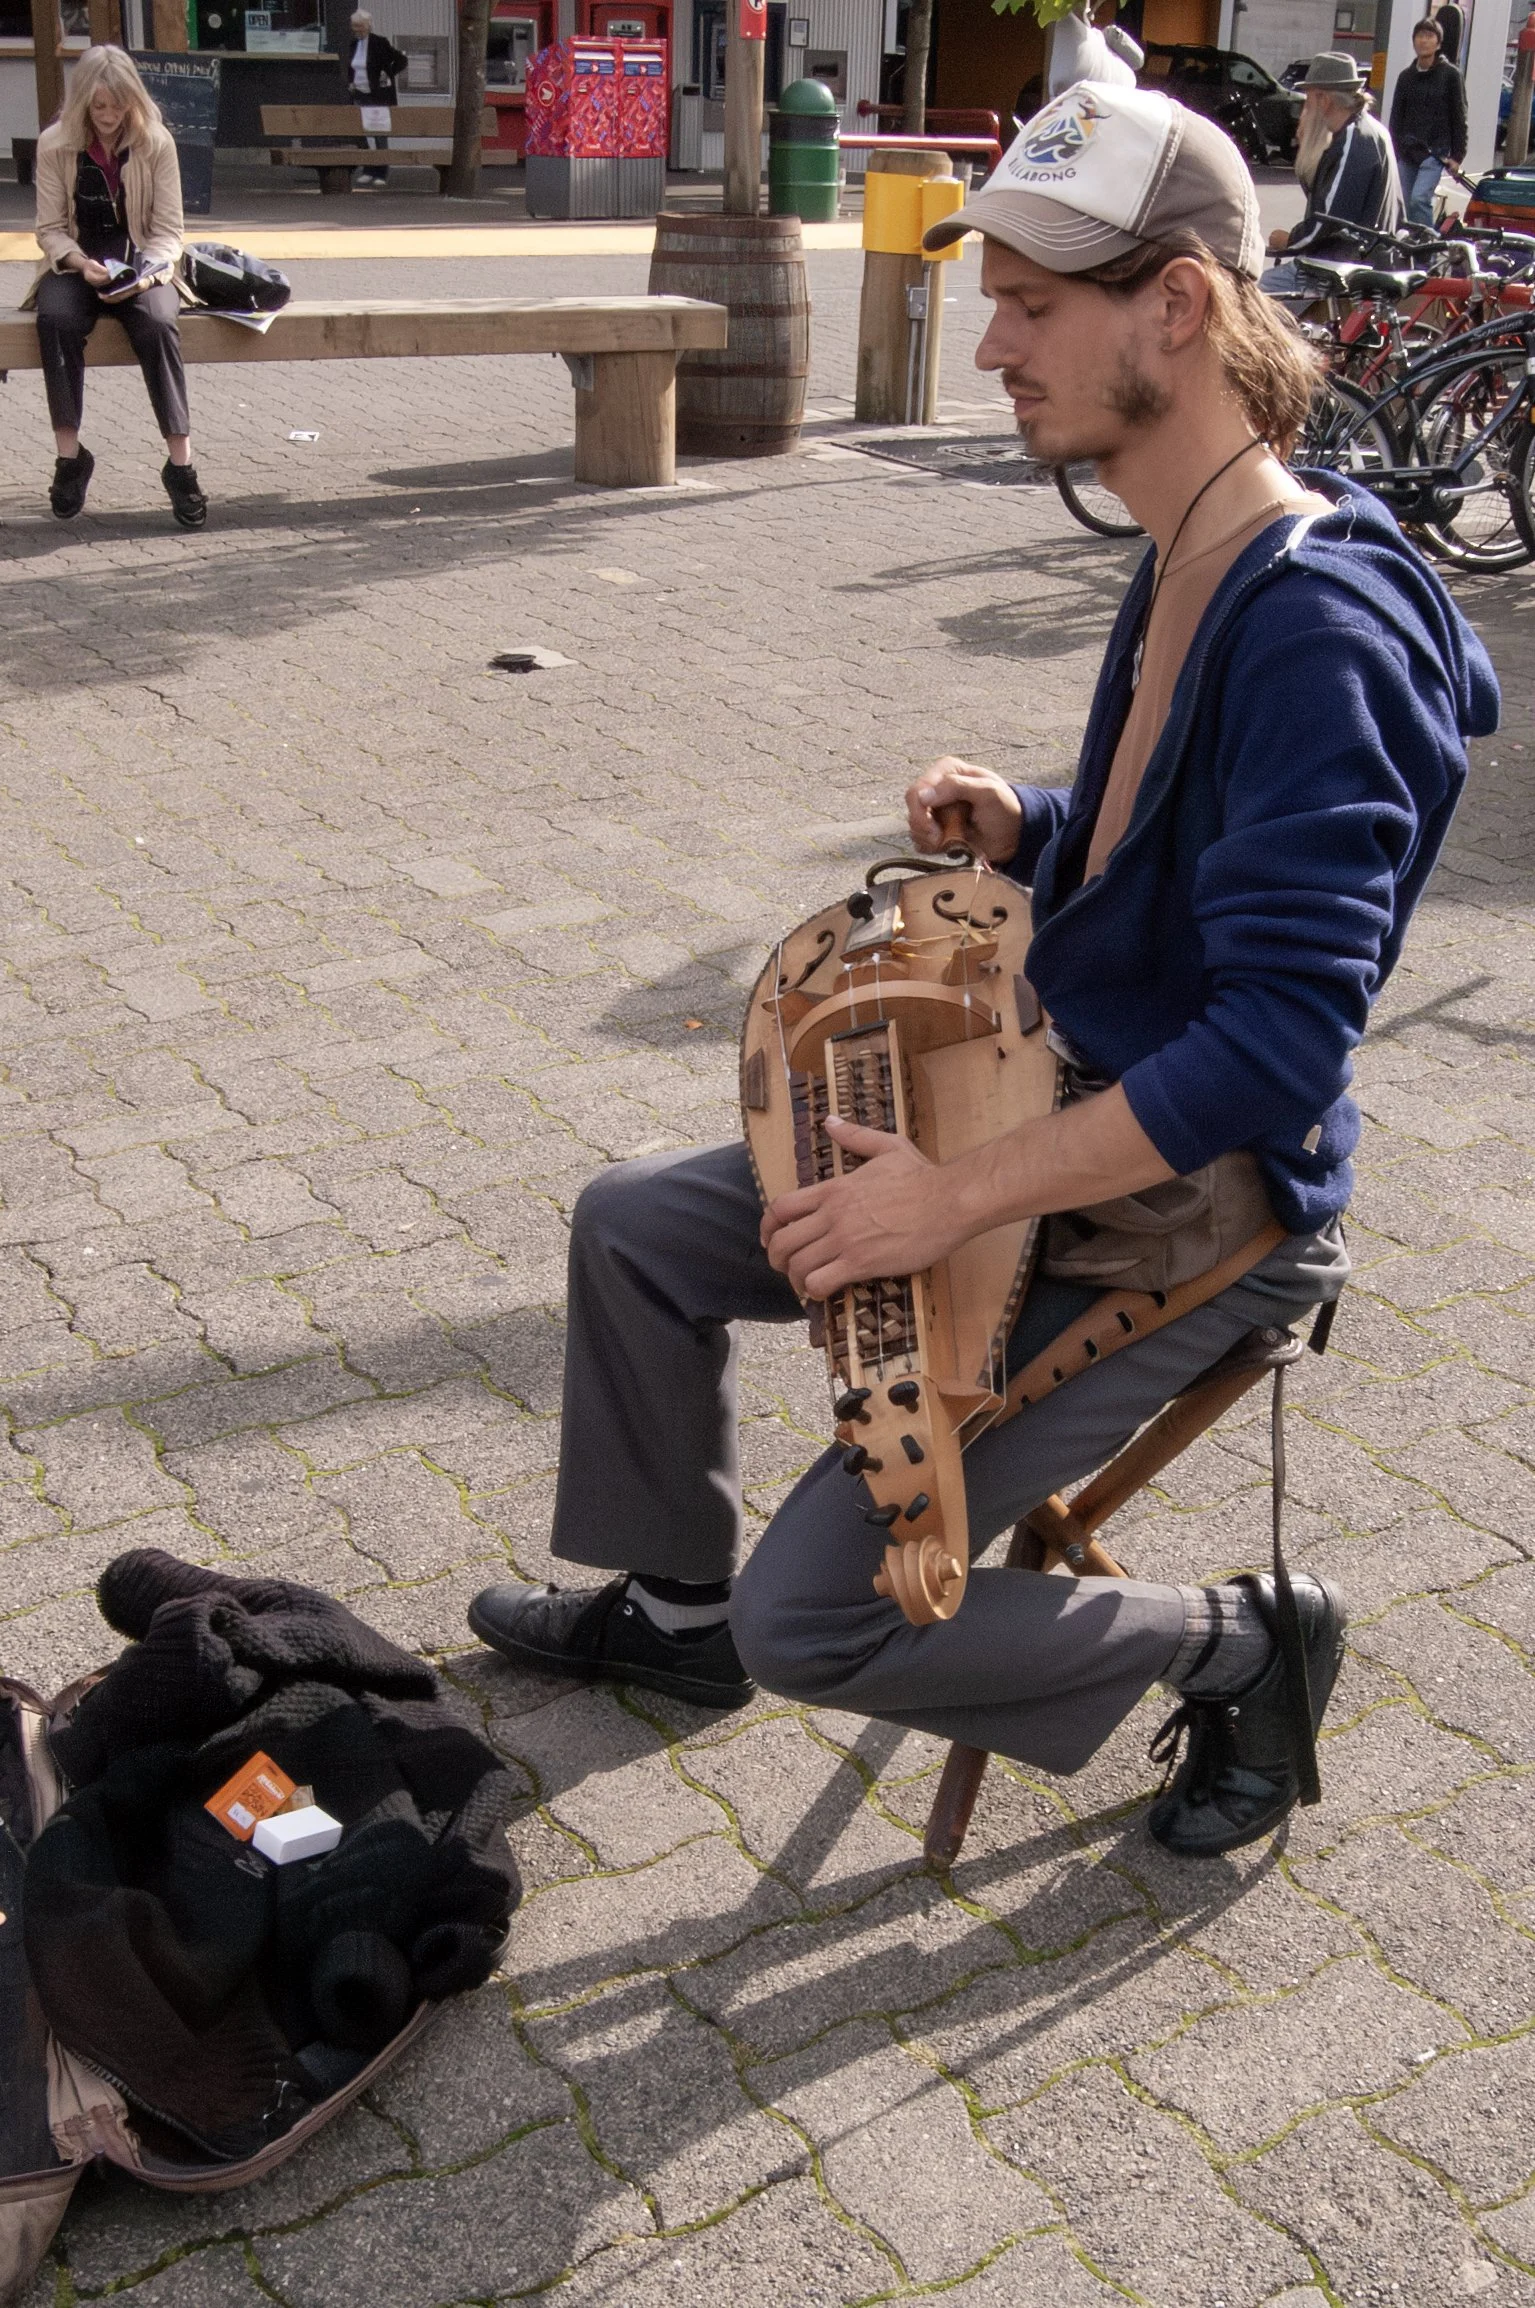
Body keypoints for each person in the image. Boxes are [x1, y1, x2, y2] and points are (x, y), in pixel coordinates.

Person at [465, 81, 1497, 1862]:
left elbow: (1270, 1045)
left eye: (1034, 304)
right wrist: (1033, 816)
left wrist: (945, 1200)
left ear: (1175, 306)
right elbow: (1184, 824)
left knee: (831, 1617)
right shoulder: (1192, 529)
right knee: (634, 1224)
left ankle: (1246, 1640)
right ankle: (677, 1609)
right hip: (1053, 1093)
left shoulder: (1320, 624)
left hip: (1201, 1202)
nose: (992, 342)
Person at [26, 44, 206, 529]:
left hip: (143, 262)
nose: (108, 117)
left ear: (134, 100)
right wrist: (80, 263)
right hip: (77, 263)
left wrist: (148, 271)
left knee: (157, 323)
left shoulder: (158, 142)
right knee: (56, 319)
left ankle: (181, 466)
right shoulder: (54, 144)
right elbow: (49, 228)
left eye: (118, 105)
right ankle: (70, 458)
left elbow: (170, 230)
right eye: (98, 107)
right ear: (82, 101)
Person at [1260, 51, 1401, 301]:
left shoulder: (1352, 139)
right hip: (1359, 262)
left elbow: (1328, 221)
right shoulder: (1370, 131)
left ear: (1323, 100)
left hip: (1334, 271)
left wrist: (1289, 240)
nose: (1304, 109)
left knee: (1248, 296)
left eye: (1308, 100)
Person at [1390, 18, 1467, 228]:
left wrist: (1457, 156)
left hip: (1435, 152)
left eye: (1429, 36)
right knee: (1403, 205)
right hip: (1408, 152)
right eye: (1420, 36)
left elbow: (1459, 116)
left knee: (1419, 199)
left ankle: (1427, 250)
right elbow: (1396, 117)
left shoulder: (1451, 75)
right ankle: (1408, 250)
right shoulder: (1406, 77)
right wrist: (1394, 152)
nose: (1424, 41)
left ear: (1438, 43)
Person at [344, 10, 410, 187]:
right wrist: (350, 82)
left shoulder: (379, 43)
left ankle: (381, 172)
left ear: (368, 25)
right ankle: (368, 169)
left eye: (359, 26)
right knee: (362, 134)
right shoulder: (353, 44)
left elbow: (401, 60)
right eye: (354, 26)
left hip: (378, 95)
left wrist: (388, 75)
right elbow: (352, 67)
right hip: (359, 93)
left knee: (379, 134)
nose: (356, 30)